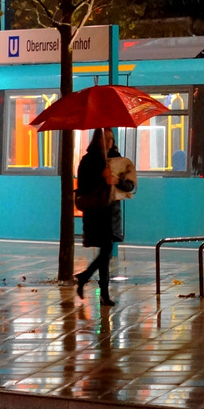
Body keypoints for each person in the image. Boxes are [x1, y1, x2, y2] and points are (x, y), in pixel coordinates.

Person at [75, 128, 124, 306]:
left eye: (111, 139)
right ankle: (98, 288)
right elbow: (83, 186)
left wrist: (117, 181)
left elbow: (128, 183)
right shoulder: (88, 161)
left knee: (106, 251)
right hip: (96, 212)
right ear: (98, 140)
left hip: (111, 212)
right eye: (106, 139)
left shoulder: (117, 159)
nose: (109, 142)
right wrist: (101, 178)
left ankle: (91, 283)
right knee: (106, 250)